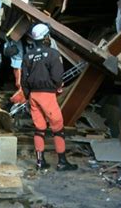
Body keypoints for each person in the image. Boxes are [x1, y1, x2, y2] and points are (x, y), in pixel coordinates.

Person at [21, 23, 78, 171]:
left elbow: (24, 79)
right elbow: (57, 76)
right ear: (46, 37)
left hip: (33, 95)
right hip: (47, 94)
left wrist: (28, 96)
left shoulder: (28, 55)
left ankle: (40, 162)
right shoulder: (53, 54)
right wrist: (56, 87)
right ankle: (62, 162)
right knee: (57, 127)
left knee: (39, 128)